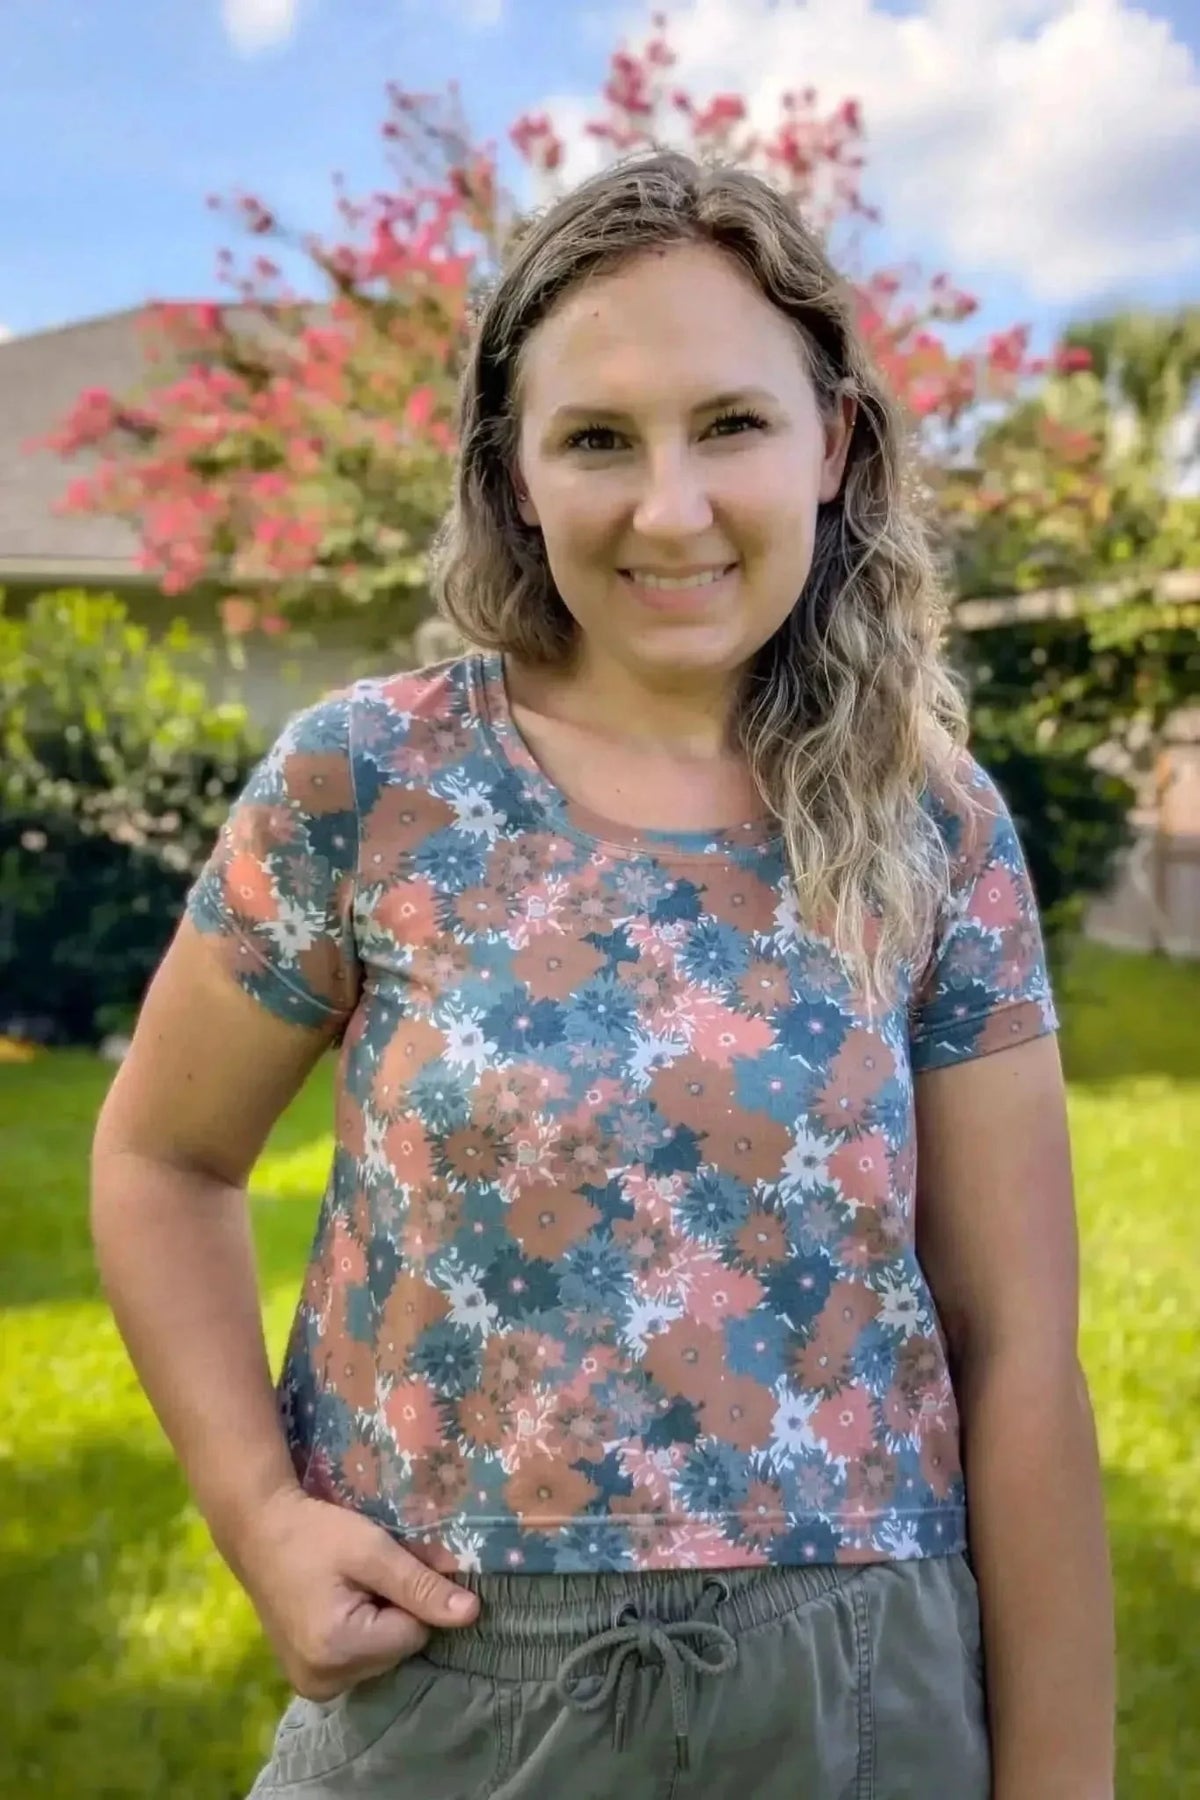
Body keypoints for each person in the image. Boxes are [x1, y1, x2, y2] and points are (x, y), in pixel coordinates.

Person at [90, 149, 1115, 1799]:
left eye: (730, 423)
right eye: (597, 440)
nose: (670, 506)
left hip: (864, 1709)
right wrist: (261, 1516)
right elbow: (161, 1156)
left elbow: (1022, 1352)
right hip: (450, 1698)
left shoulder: (932, 821)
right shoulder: (370, 782)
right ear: (516, 473)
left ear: (833, 442)